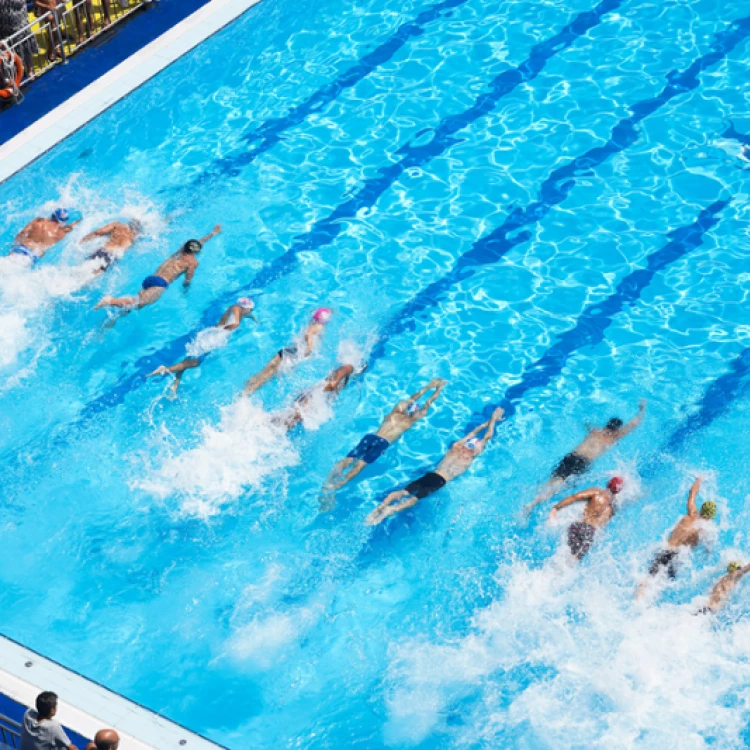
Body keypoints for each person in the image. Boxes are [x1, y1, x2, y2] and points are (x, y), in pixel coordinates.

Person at [365, 407, 504, 526]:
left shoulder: (455, 447)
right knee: (414, 499)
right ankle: (392, 510)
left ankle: (380, 508)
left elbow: (472, 433)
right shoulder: (469, 457)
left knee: (403, 492)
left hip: (431, 475)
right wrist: (493, 419)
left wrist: (485, 423)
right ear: (475, 449)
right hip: (440, 481)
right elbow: (488, 436)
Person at [324, 378, 446, 491]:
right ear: (414, 412)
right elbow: (428, 403)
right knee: (359, 466)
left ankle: (329, 478)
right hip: (382, 444)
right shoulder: (410, 421)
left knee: (348, 459)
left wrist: (428, 386)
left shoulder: (394, 413)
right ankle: (337, 485)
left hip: (371, 437)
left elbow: (412, 398)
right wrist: (438, 389)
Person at [526, 400, 646, 512]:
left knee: (553, 480)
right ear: (617, 428)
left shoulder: (595, 431)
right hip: (582, 462)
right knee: (560, 487)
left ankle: (532, 501)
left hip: (571, 456)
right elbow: (633, 424)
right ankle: (537, 504)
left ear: (607, 424)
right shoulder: (613, 437)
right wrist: (642, 409)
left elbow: (586, 423)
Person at [94, 224, 221, 311]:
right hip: (161, 283)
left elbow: (197, 243)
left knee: (135, 306)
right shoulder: (192, 262)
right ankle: (111, 301)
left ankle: (113, 320)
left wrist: (212, 234)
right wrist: (186, 288)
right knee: (137, 302)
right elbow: (188, 278)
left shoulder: (180, 251)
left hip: (152, 278)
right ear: (197, 252)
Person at [147, 297, 257, 393]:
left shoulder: (236, 308)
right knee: (195, 362)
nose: (250, 312)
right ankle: (164, 370)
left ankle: (175, 384)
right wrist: (225, 330)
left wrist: (254, 319)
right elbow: (236, 323)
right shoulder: (236, 309)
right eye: (250, 310)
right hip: (214, 338)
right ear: (245, 308)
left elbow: (246, 315)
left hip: (211, 334)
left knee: (189, 359)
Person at [635, 477, 716, 599]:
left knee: (649, 578)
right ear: (711, 517)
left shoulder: (691, 513)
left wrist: (698, 481)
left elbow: (692, 493)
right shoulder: (704, 529)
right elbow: (707, 544)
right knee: (661, 584)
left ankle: (637, 599)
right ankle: (645, 605)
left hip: (665, 549)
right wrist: (708, 551)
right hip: (675, 556)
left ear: (701, 509)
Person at [243, 307, 333, 395]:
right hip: (288, 356)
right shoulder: (319, 326)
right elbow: (308, 333)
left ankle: (247, 388)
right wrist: (310, 347)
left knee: (265, 374)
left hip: (287, 354)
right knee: (266, 376)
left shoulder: (313, 324)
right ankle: (246, 393)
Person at [549, 476, 624, 561]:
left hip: (578, 526)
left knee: (565, 554)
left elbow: (575, 497)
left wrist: (556, 507)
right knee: (574, 561)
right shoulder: (614, 506)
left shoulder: (596, 492)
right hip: (589, 533)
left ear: (608, 483)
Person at [273, 363, 359, 431]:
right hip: (313, 396)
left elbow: (346, 368)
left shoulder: (330, 386)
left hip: (314, 395)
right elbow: (346, 369)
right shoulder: (328, 386)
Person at [8, 209, 81, 266]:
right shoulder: (60, 233)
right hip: (32, 256)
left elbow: (22, 233)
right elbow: (71, 227)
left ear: (52, 215)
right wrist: (80, 220)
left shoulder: (38, 221)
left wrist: (14, 246)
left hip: (21, 248)